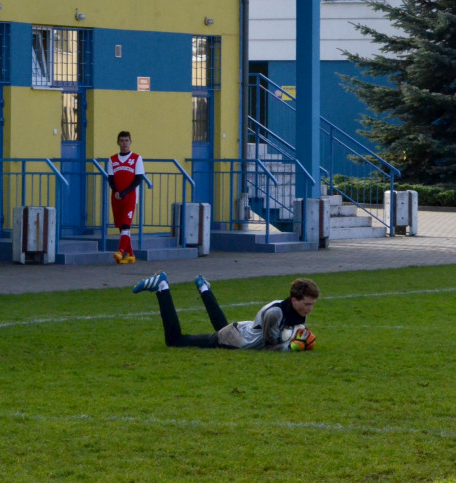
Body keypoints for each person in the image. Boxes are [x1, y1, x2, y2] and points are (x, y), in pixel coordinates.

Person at [132, 271, 319, 350]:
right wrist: (294, 346)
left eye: (312, 304)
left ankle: (204, 288)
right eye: (307, 304)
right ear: (294, 300)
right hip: (236, 338)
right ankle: (161, 287)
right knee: (175, 341)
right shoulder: (275, 313)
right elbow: (269, 348)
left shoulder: (297, 312)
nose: (310, 309)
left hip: (241, 332)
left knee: (222, 328)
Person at [107, 130, 145, 264]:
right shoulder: (112, 159)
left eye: (126, 141)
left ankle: (120, 252)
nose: (124, 143)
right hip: (117, 196)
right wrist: (116, 190)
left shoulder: (136, 158)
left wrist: (125, 192)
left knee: (125, 225)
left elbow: (138, 179)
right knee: (121, 226)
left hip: (130, 196)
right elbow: (110, 178)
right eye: (122, 141)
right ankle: (131, 255)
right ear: (118, 142)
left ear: (130, 142)